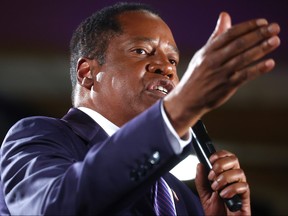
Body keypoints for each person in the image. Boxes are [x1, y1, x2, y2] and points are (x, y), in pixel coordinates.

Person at [0, 2, 280, 215]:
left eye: (173, 59)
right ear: (87, 73)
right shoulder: (39, 137)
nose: (166, 68)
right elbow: (54, 207)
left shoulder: (179, 195)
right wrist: (179, 107)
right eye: (142, 51)